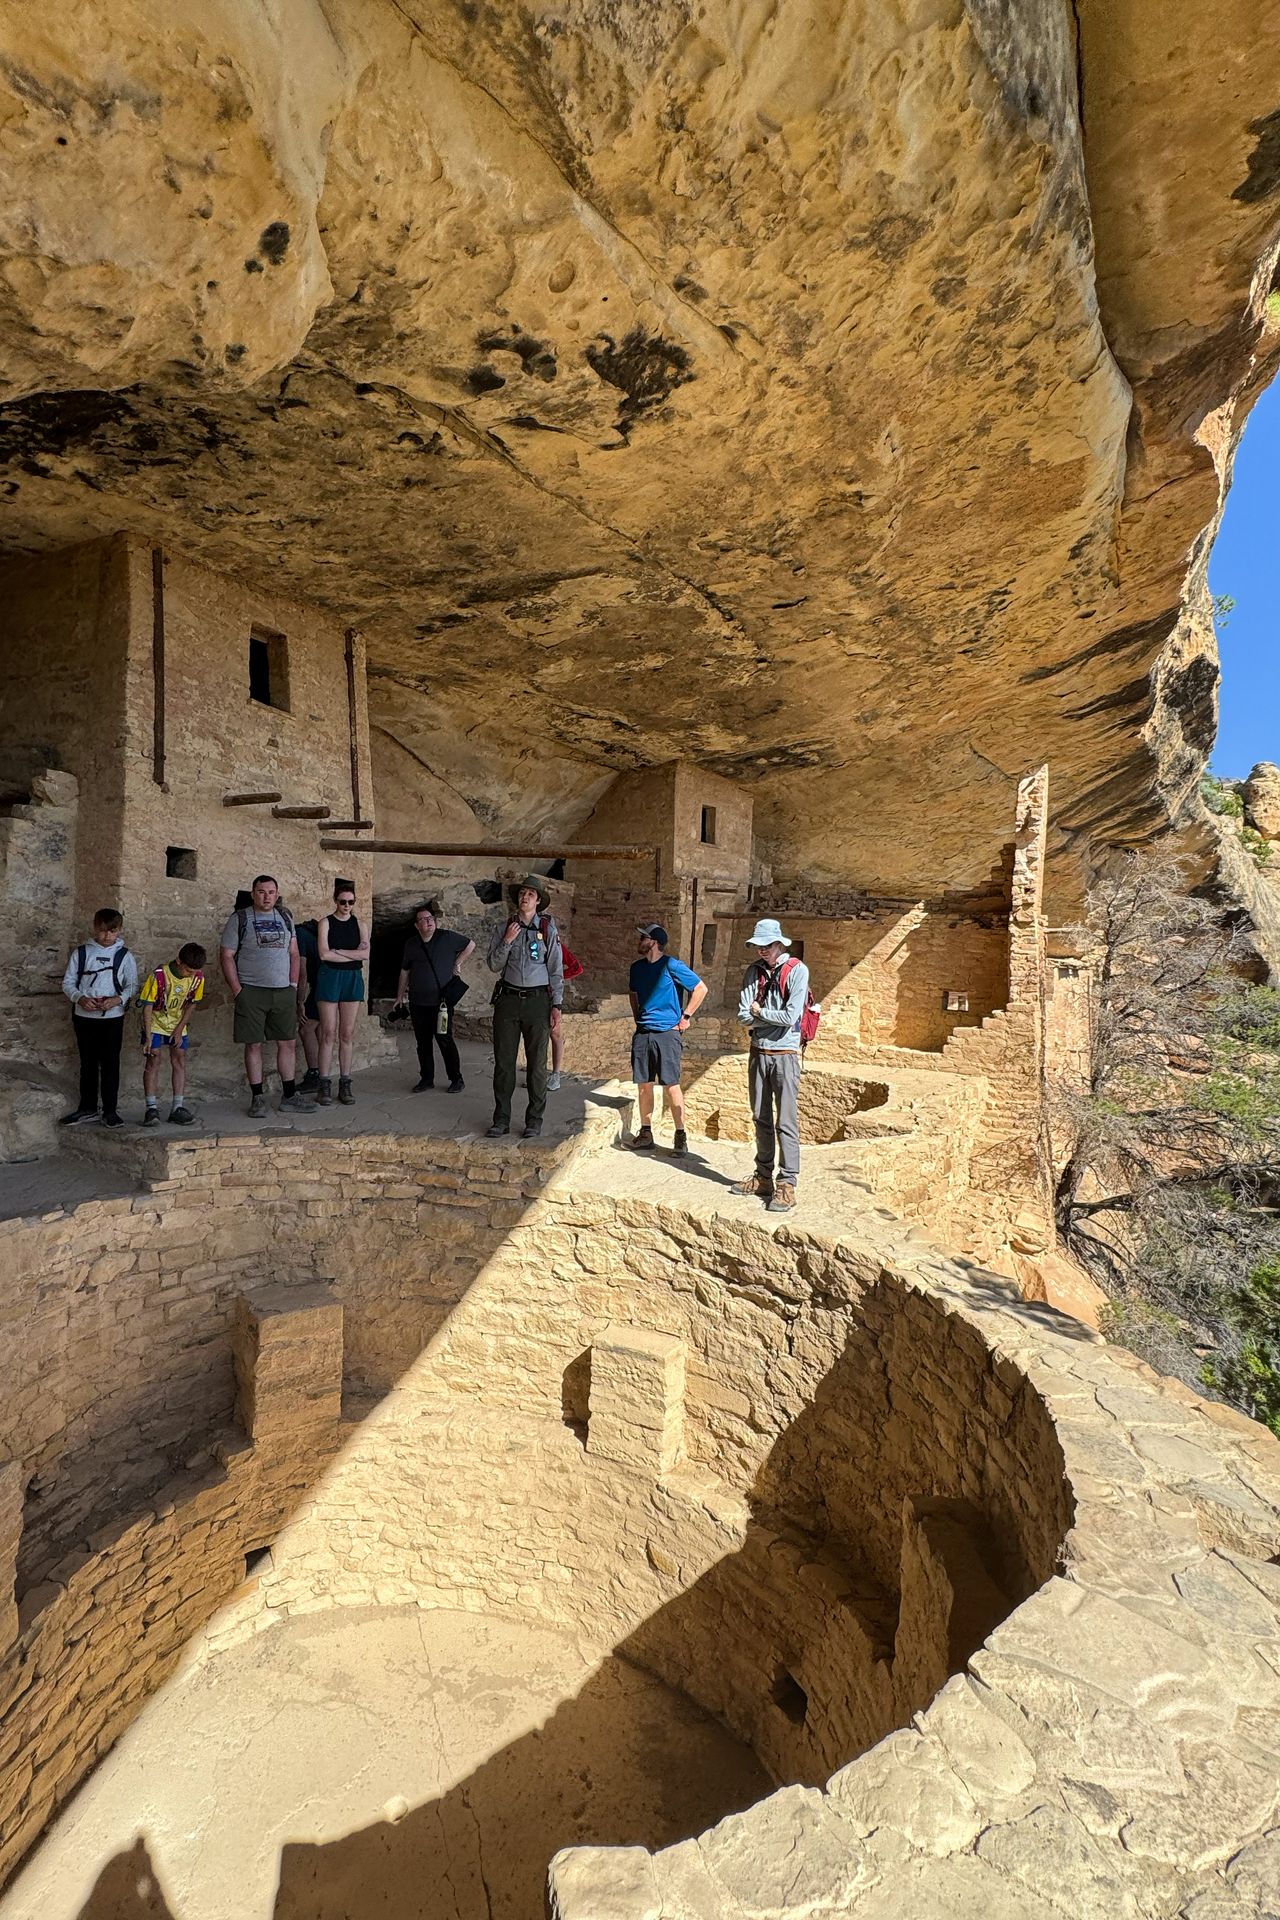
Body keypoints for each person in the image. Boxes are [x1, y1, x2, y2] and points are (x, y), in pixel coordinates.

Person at [219, 875, 315, 1118]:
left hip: (282, 990)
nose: (266, 896)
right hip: (252, 990)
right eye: (261, 892)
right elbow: (227, 955)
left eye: (271, 892)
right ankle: (257, 1098)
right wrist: (238, 990)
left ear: (277, 893)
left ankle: (289, 1095)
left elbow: (294, 953)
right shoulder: (240, 919)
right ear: (253, 893)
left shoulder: (285, 917)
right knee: (254, 1044)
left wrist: (293, 985)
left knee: (288, 1043)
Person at [732, 917, 809, 1213]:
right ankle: (763, 1176)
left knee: (786, 1121)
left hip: (785, 1055)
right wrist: (763, 1016)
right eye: (757, 945)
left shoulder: (797, 971)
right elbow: (743, 1015)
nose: (761, 950)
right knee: (760, 1117)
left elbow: (791, 1017)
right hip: (759, 1050)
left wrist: (761, 1011)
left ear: (778, 943)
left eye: (765, 945)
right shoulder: (754, 972)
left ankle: (787, 1183)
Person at [486, 874, 562, 1139]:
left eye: (530, 894)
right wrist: (507, 940)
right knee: (504, 1064)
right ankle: (501, 1120)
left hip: (537, 1001)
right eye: (522, 894)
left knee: (537, 1064)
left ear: (538, 901)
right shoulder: (504, 927)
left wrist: (557, 1005)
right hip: (508, 999)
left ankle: (534, 1119)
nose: (525, 897)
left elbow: (555, 970)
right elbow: (494, 964)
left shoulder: (547, 929)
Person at [628, 924, 707, 1155]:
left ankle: (680, 1136)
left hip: (667, 1034)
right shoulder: (636, 968)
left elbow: (700, 988)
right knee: (644, 1085)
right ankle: (645, 1133)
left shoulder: (672, 965)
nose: (639, 940)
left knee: (671, 1085)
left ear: (653, 941)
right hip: (644, 1032)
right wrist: (638, 1019)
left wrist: (685, 1017)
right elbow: (633, 995)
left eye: (643, 937)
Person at [59, 907, 138, 1128]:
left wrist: (118, 999)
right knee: (88, 1063)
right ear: (95, 928)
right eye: (102, 931)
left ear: (119, 931)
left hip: (112, 1017)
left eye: (112, 932)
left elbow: (132, 985)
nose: (106, 936)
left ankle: (110, 1110)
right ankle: (88, 1107)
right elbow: (68, 982)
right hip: (85, 1016)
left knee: (111, 1063)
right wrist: (79, 998)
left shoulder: (124, 956)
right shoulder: (82, 953)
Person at [393, 900, 474, 1093]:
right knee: (423, 1043)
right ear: (416, 925)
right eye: (423, 920)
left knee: (445, 1040)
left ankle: (456, 1078)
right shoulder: (412, 944)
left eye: (430, 918)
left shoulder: (446, 937)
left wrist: (457, 963)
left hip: (442, 1004)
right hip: (418, 1003)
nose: (428, 922)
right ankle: (426, 1078)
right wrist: (399, 997)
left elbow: (470, 944)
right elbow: (405, 971)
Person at [137, 942, 207, 1126]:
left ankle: (177, 1107)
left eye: (194, 971)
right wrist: (148, 1034)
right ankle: (151, 1108)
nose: (191, 974)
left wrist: (179, 1029)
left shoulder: (197, 977)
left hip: (177, 1023)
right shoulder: (160, 976)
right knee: (153, 1059)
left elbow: (192, 1003)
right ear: (178, 962)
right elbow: (147, 1005)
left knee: (179, 1059)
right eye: (188, 970)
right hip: (156, 1023)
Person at [314, 878, 370, 1106]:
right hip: (330, 977)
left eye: (351, 902)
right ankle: (324, 1083)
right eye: (343, 902)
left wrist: (339, 951)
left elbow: (365, 955)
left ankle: (345, 1082)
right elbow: (324, 955)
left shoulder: (361, 925)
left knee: (347, 1033)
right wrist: (351, 953)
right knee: (328, 1032)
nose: (347, 906)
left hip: (352, 978)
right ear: (335, 901)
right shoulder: (325, 923)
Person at [294, 916, 322, 1092]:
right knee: (319, 1029)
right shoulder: (309, 932)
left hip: (322, 985)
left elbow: (302, 972)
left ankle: (314, 1075)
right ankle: (322, 1074)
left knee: (306, 1028)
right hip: (329, 983)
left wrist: (300, 1002)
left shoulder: (298, 934)